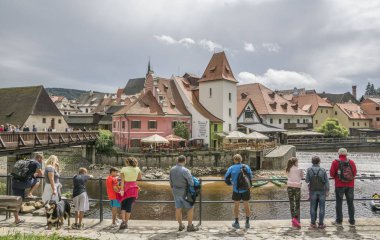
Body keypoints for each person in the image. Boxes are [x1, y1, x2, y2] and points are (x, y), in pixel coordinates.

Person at [11, 154, 43, 225]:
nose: (41, 161)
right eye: (42, 159)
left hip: (14, 183)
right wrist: (36, 174)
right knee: (38, 180)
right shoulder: (37, 163)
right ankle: (30, 193)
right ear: (39, 158)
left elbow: (24, 173)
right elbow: (41, 174)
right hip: (23, 184)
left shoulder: (26, 161)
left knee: (17, 202)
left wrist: (32, 175)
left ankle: (16, 219)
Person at [169, 155, 199, 232]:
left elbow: (170, 182)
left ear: (177, 160)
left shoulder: (172, 169)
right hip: (185, 192)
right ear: (185, 161)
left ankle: (180, 225)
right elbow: (191, 183)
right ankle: (189, 226)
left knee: (178, 208)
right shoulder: (185, 170)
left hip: (175, 191)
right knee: (190, 207)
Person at [224, 154, 253, 229]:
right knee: (246, 205)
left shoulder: (231, 168)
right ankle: (247, 223)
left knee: (236, 205)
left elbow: (226, 178)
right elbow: (250, 177)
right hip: (246, 189)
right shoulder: (246, 167)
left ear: (234, 160)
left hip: (236, 190)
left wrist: (231, 183)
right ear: (241, 159)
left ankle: (237, 223)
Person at [330, 148, 357, 226]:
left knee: (339, 203)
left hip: (339, 185)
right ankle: (352, 221)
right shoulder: (351, 162)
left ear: (338, 154)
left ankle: (339, 221)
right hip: (350, 185)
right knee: (350, 203)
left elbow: (332, 174)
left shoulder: (335, 162)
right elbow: (354, 173)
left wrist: (337, 176)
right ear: (346, 154)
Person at [305, 156, 329, 229]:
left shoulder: (309, 170)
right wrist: (327, 190)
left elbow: (307, 180)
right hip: (322, 191)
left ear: (312, 162)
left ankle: (313, 223)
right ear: (319, 161)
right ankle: (321, 224)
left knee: (312, 207)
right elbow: (327, 181)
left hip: (313, 191)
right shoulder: (323, 170)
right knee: (322, 208)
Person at [118, 157, 142, 230]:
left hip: (126, 188)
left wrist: (121, 190)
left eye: (126, 162)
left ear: (127, 162)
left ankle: (123, 221)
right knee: (129, 206)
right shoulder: (137, 169)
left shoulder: (123, 169)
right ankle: (126, 223)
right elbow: (139, 178)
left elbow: (122, 181)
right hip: (134, 188)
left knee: (123, 206)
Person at [286, 157, 304, 229]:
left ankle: (293, 219)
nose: (298, 163)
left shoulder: (288, 169)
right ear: (295, 162)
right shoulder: (299, 169)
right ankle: (296, 219)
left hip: (289, 187)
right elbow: (302, 177)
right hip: (297, 187)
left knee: (291, 203)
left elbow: (288, 176)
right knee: (297, 203)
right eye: (297, 162)